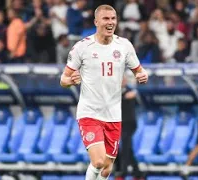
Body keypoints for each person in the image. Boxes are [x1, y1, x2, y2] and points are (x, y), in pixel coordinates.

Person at [60, 5, 148, 180]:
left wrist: (142, 74)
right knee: (99, 161)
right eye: (106, 19)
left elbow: (139, 70)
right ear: (96, 22)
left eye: (113, 19)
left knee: (107, 169)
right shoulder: (82, 47)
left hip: (113, 115)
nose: (110, 22)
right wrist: (70, 81)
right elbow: (63, 79)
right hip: (90, 112)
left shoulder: (124, 45)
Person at [115, 75, 144, 180]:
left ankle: (122, 173)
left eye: (123, 79)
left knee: (125, 147)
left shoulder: (131, 91)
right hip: (120, 123)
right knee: (128, 149)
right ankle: (138, 174)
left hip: (129, 123)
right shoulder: (115, 92)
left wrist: (132, 96)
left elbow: (138, 102)